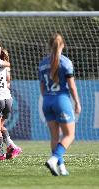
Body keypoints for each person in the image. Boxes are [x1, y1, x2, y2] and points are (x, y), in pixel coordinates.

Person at [39, 33, 81, 176]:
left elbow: (42, 87)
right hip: (61, 100)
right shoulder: (66, 62)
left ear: (49, 46)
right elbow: (72, 85)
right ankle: (54, 159)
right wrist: (77, 102)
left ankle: (61, 168)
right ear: (62, 45)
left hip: (46, 101)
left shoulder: (43, 63)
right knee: (70, 135)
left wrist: (47, 98)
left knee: (55, 137)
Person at [0, 45, 22, 160]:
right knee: (0, 126)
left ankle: (0, 152)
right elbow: (8, 80)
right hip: (8, 98)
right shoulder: (5, 66)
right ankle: (11, 146)